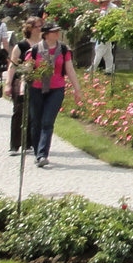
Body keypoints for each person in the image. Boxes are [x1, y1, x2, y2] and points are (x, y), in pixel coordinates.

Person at [25, 20, 82, 168]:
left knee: (47, 122)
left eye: (58, 31)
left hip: (56, 88)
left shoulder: (63, 49)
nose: (57, 33)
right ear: (45, 34)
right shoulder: (35, 50)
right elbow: (27, 70)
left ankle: (43, 154)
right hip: (37, 88)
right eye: (54, 31)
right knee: (36, 122)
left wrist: (77, 89)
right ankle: (38, 153)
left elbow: (69, 69)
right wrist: (21, 86)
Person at [5, 16, 42, 155]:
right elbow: (12, 66)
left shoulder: (44, 44)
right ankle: (15, 144)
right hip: (21, 81)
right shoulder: (21, 45)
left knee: (34, 113)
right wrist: (8, 84)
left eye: (40, 26)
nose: (39, 29)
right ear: (30, 28)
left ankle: (28, 143)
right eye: (37, 26)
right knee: (19, 111)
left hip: (38, 81)